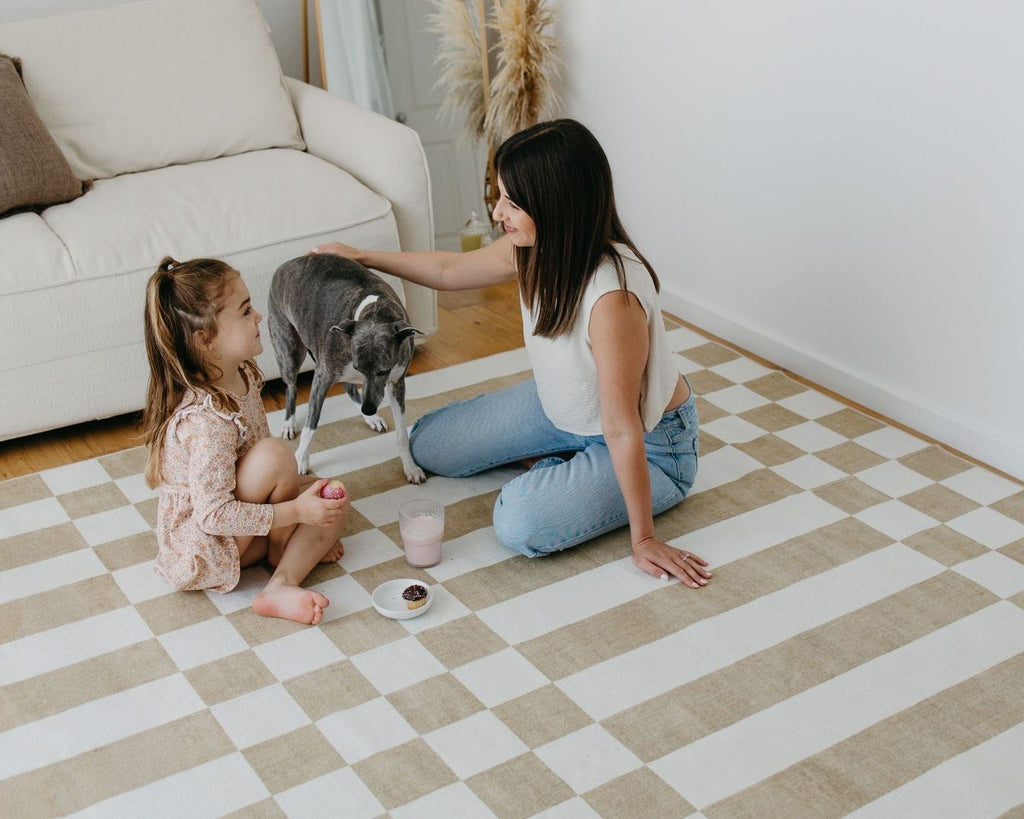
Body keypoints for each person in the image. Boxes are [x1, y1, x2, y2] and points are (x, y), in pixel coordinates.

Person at [312, 119, 711, 588]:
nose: (498, 211)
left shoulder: (612, 298)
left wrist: (644, 540)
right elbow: (447, 267)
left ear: (557, 207)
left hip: (651, 446)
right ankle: (566, 456)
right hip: (565, 412)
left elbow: (622, 425)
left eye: (513, 203)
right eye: (501, 195)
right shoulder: (533, 248)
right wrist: (364, 256)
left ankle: (565, 468)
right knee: (426, 444)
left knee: (519, 523)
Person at [141, 256, 350, 624]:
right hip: (206, 544)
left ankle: (280, 570)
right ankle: (285, 558)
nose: (259, 316)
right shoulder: (208, 420)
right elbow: (214, 514)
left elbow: (265, 470)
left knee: (328, 492)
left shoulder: (242, 374)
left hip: (240, 525)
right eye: (245, 311)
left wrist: (301, 505)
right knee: (275, 457)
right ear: (205, 339)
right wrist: (296, 513)